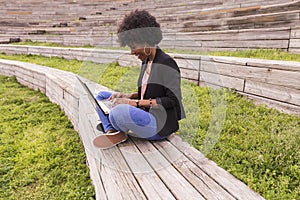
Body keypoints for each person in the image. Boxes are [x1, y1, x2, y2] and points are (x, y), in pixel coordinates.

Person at [93, 9, 185, 149]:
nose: (131, 52)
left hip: (158, 123)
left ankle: (113, 127)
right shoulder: (146, 61)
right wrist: (128, 96)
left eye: (133, 46)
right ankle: (112, 131)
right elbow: (148, 93)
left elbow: (172, 100)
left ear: (146, 40)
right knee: (101, 97)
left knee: (119, 111)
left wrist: (132, 103)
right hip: (144, 113)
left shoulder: (166, 63)